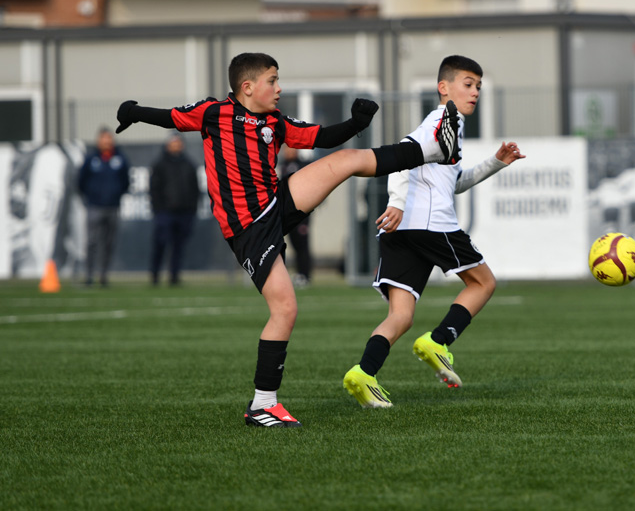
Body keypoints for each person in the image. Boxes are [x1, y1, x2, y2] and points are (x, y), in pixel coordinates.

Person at [114, 52, 461, 427]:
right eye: (273, 81)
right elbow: (170, 117)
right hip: (248, 228)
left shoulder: (275, 121)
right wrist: (133, 111)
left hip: (276, 202)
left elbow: (321, 136)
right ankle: (262, 405)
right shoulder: (214, 113)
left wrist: (355, 123)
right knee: (285, 309)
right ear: (247, 87)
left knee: (345, 160)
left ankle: (433, 150)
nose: (279, 88)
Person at [342, 55, 526, 408]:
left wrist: (495, 163)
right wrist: (396, 201)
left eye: (478, 86)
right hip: (429, 223)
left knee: (401, 316)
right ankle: (439, 341)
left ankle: (364, 373)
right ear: (444, 87)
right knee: (483, 283)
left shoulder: (451, 127)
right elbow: (400, 156)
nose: (475, 92)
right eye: (467, 84)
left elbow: (453, 183)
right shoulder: (443, 118)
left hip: (402, 230)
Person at [77, 127, 131, 287]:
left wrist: (116, 195)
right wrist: (90, 197)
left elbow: (125, 182)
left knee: (108, 243)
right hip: (94, 206)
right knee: (92, 242)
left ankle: (103, 275)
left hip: (113, 207)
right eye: (103, 138)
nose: (106, 141)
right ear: (98, 140)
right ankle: (89, 275)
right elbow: (81, 182)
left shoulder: (120, 159)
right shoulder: (91, 159)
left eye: (109, 138)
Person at [149, 133, 200, 286]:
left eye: (178, 143)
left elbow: (195, 189)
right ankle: (155, 275)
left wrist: (192, 209)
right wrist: (158, 209)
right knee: (161, 243)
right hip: (165, 212)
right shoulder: (160, 164)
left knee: (179, 246)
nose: (176, 146)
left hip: (184, 212)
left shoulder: (189, 164)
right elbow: (154, 189)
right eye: (173, 143)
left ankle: (174, 276)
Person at [277, 146, 312, 287]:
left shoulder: (303, 165)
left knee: (302, 244)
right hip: (288, 211)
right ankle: (298, 273)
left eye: (290, 149)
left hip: (301, 213)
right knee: (293, 244)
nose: (288, 152)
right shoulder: (283, 165)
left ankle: (305, 275)